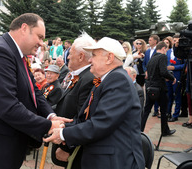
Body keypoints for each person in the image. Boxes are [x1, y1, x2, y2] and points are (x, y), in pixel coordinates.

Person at [0, 13, 71, 169]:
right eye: (39, 37)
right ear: (24, 28)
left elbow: (33, 91)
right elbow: (7, 107)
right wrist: (49, 125)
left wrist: (51, 115)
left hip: (6, 144)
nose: (41, 43)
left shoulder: (15, 52)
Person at [44, 37, 145, 169]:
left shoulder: (118, 80)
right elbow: (85, 117)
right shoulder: (106, 79)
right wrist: (63, 126)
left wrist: (63, 134)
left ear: (109, 57)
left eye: (94, 55)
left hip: (115, 162)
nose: (90, 59)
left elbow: (101, 123)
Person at [51, 32, 95, 169]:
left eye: (70, 53)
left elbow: (84, 118)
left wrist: (67, 148)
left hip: (75, 147)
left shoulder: (88, 79)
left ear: (81, 56)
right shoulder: (79, 75)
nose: (67, 56)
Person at [141, 41, 176, 136]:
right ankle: (164, 131)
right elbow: (163, 72)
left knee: (147, 110)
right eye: (166, 49)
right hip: (159, 88)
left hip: (150, 87)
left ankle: (139, 130)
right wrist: (172, 78)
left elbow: (149, 72)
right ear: (164, 48)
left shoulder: (152, 58)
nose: (166, 52)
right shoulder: (162, 57)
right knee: (164, 111)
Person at [165, 36, 185, 122]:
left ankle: (175, 114)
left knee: (177, 96)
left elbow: (185, 65)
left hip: (177, 76)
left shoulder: (182, 52)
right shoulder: (168, 51)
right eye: (174, 40)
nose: (176, 42)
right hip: (168, 77)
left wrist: (174, 67)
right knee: (169, 96)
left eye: (178, 41)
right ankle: (168, 113)